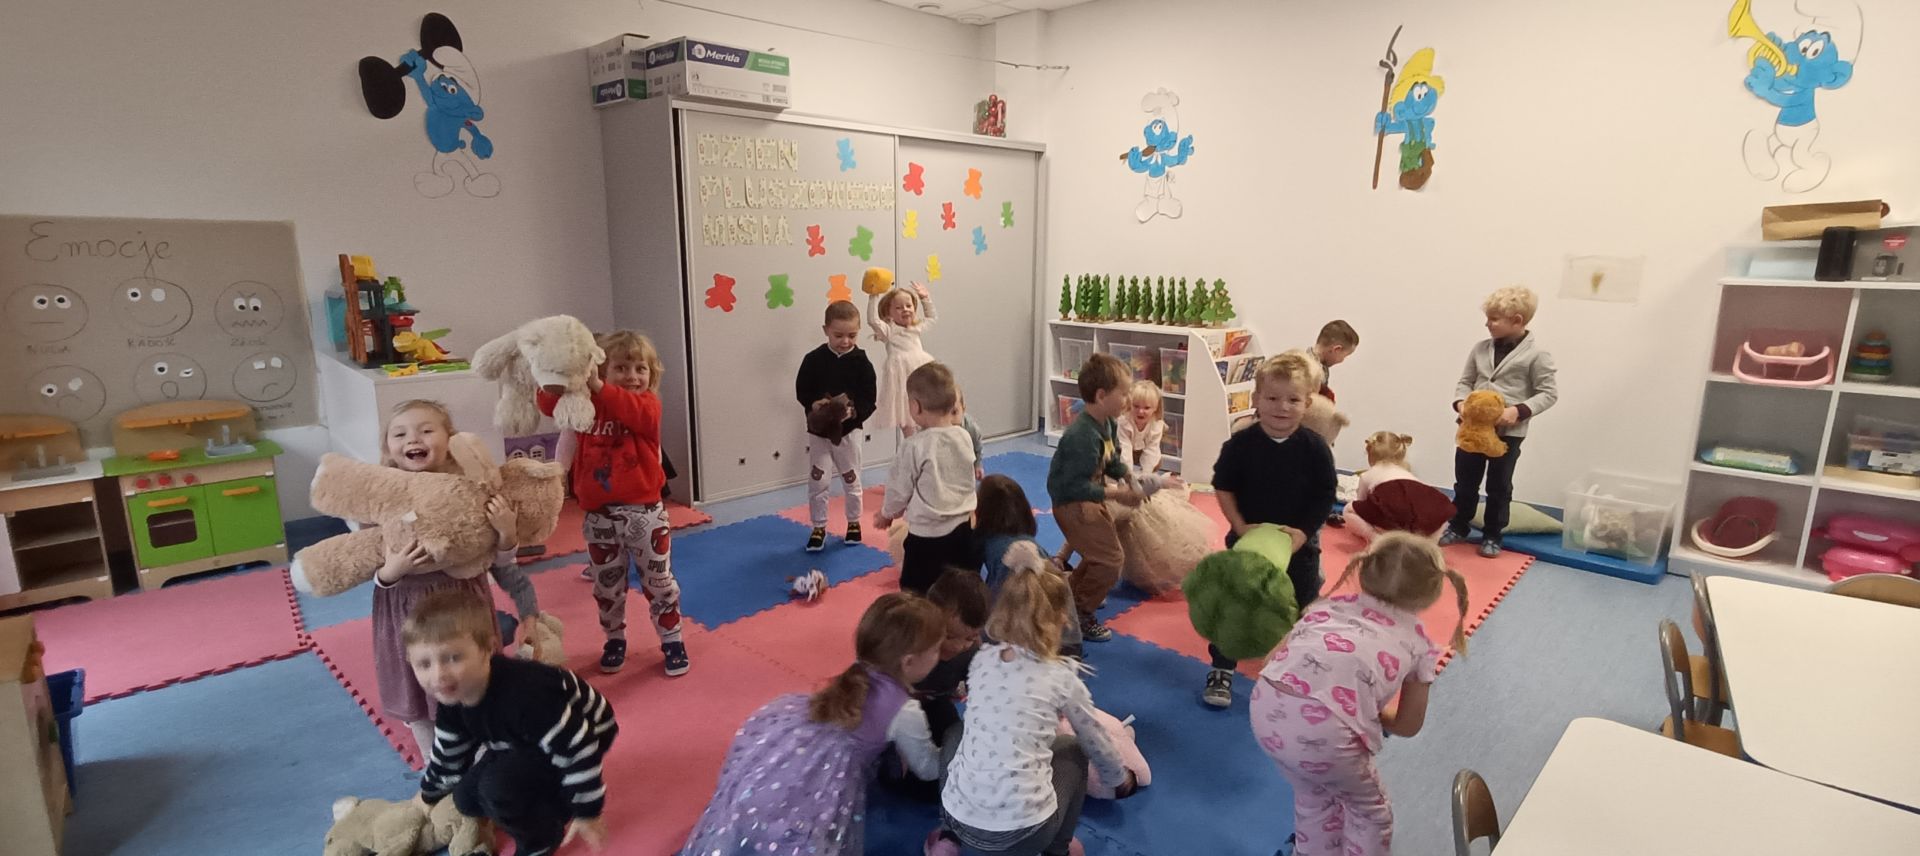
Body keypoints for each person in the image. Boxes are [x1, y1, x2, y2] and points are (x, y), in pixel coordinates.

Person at [1250, 533, 1467, 856]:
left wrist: (1339, 698)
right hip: (1327, 735)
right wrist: (1363, 710)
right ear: (1434, 590)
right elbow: (1408, 725)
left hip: (1266, 711)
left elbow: (1271, 662)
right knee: (1370, 812)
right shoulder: (1419, 644)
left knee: (1313, 797)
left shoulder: (1325, 609)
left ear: (1363, 570)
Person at [680, 593, 945, 855]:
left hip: (791, 757)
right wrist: (957, 749)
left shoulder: (860, 672)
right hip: (823, 781)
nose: (940, 655)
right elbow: (927, 769)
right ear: (909, 661)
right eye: (935, 650)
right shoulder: (906, 712)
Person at [363, 399, 538, 757]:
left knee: (476, 692)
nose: (413, 439)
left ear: (451, 440)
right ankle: (438, 768)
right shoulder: (381, 499)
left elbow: (500, 563)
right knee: (420, 701)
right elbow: (365, 567)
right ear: (387, 447)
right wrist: (392, 570)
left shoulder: (470, 491)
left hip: (464, 610)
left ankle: (485, 760)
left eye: (426, 430)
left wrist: (506, 533)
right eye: (400, 434)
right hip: (408, 615)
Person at [932, 553, 1136, 856]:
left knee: (956, 732)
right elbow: (1095, 739)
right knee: (1073, 748)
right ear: (1062, 620)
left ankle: (947, 837)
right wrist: (1118, 778)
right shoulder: (1062, 676)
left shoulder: (983, 659)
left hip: (960, 821)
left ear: (1001, 613)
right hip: (1025, 836)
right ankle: (1057, 850)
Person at [407, 589, 617, 856]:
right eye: (424, 664)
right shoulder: (452, 695)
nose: (438, 675)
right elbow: (448, 755)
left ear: (488, 649)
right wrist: (427, 796)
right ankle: (533, 794)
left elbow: (578, 748)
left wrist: (587, 810)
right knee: (465, 798)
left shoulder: (526, 694)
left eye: (454, 658)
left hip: (587, 731)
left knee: (498, 788)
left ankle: (542, 838)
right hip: (522, 737)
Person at [536, 331, 687, 676]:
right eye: (621, 368)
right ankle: (614, 637)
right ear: (602, 370)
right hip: (599, 515)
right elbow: (549, 405)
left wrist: (600, 387)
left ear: (651, 374)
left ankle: (672, 638)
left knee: (659, 582)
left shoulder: (648, 404)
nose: (632, 376)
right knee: (607, 585)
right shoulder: (586, 405)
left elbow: (635, 413)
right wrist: (562, 376)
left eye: (640, 369)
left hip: (645, 513)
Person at [1204, 351, 1336, 709]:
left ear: (1307, 403)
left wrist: (1303, 533)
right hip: (1249, 543)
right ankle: (1222, 667)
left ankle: (1293, 667)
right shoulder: (1240, 445)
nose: (1282, 407)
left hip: (1298, 548)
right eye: (1273, 398)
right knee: (1236, 603)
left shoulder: (1315, 449)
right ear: (1257, 399)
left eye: (1293, 400)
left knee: (1298, 606)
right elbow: (1223, 486)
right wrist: (1240, 526)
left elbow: (1325, 495)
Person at [1442, 286, 1558, 558]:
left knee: (1499, 485)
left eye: (1494, 319)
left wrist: (1518, 411)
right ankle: (1459, 525)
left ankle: (1493, 533)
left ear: (1517, 320)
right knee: (1465, 481)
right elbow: (1465, 382)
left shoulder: (1537, 354)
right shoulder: (1480, 349)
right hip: (1472, 430)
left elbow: (1548, 393)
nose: (1487, 323)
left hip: (1508, 433)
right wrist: (1461, 403)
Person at [1046, 353, 1140, 645]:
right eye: (1123, 393)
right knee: (1110, 560)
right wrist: (1118, 494)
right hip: (1072, 503)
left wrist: (1127, 476)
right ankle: (1081, 612)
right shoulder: (1081, 436)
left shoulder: (1107, 423)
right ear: (1101, 396)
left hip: (1089, 498)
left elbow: (1111, 460)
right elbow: (1075, 486)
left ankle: (1069, 600)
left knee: (1101, 555)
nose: (1128, 399)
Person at [874, 362, 980, 594]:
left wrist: (887, 514)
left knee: (916, 592)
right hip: (964, 529)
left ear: (915, 406)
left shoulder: (914, 446)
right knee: (961, 589)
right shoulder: (963, 436)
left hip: (928, 535)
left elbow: (899, 490)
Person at [796, 299, 878, 552]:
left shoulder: (862, 363)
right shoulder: (813, 359)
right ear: (826, 330)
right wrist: (814, 404)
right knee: (818, 479)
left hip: (849, 432)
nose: (845, 341)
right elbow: (802, 391)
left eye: (852, 335)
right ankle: (819, 526)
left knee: (851, 478)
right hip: (819, 432)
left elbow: (869, 399)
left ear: (859, 331)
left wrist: (853, 412)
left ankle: (853, 522)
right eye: (838, 335)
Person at [975, 474, 1083, 656]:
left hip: (1043, 641)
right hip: (1064, 638)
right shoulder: (1028, 547)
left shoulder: (1001, 551)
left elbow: (1001, 605)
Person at [870, 281, 938, 438]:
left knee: (925, 405)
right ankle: (910, 442)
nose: (905, 309)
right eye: (899, 308)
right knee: (904, 410)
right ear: (888, 313)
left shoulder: (915, 327)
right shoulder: (889, 331)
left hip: (920, 369)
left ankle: (925, 439)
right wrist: (873, 296)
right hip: (900, 374)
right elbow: (873, 320)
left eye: (909, 306)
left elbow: (931, 317)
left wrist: (925, 298)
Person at [1117, 379, 1167, 475]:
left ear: (1155, 408)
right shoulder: (1124, 421)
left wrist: (1145, 474)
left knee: (1157, 461)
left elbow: (1152, 450)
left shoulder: (1156, 425)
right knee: (1115, 460)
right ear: (1130, 405)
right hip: (1121, 448)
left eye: (1146, 408)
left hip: (1141, 449)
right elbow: (1125, 449)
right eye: (1136, 406)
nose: (1140, 411)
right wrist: (1128, 475)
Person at [1310, 320, 1359, 403]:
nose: (1342, 360)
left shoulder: (1322, 368)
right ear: (1337, 350)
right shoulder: (1308, 371)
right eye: (1345, 356)